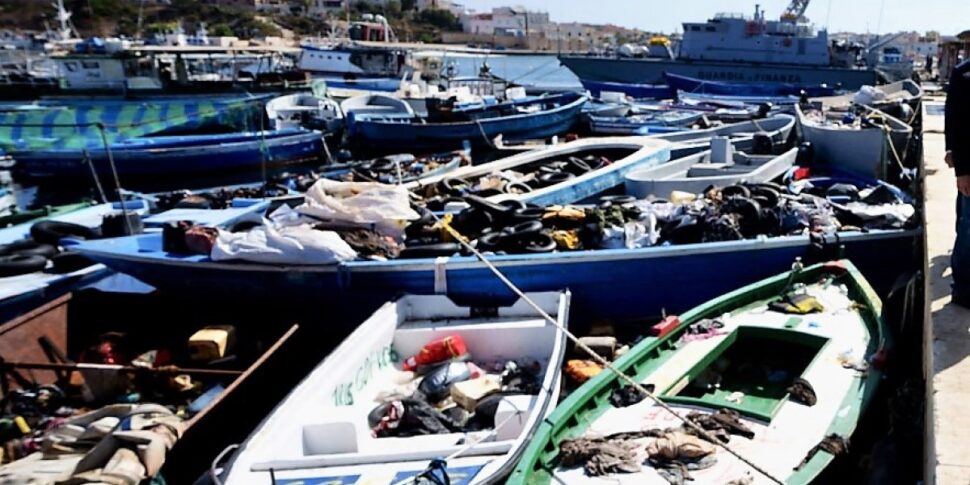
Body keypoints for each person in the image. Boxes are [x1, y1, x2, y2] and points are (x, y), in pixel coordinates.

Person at [946, 59, 970, 307]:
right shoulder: (964, 74)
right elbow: (955, 122)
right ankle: (963, 289)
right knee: (968, 229)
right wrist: (962, 171)